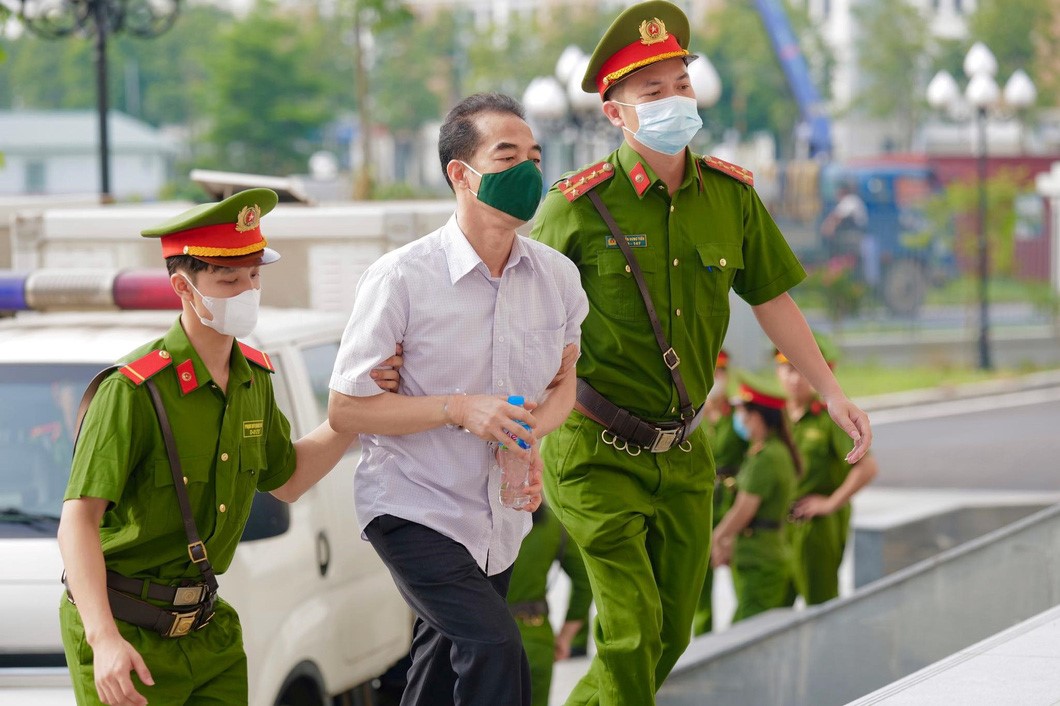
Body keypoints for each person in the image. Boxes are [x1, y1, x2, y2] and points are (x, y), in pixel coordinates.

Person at [528, 2, 872, 703]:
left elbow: (773, 298)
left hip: (684, 453)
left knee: (670, 635)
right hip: (593, 449)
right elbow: (514, 316)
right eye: (651, 92)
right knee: (629, 631)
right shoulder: (574, 209)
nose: (673, 100)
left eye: (681, 84)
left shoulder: (731, 197)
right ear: (614, 112)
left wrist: (831, 392)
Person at [58, 188, 402, 706]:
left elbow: (288, 479)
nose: (246, 290)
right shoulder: (133, 391)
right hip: (128, 630)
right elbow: (78, 521)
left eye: (254, 275)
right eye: (228, 278)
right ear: (183, 286)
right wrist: (103, 639)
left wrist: (359, 407)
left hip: (208, 628)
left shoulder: (252, 378)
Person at [326, 92, 589, 706]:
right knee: (497, 647)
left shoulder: (557, 279)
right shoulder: (400, 278)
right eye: (507, 156)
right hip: (412, 507)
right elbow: (347, 409)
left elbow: (563, 387)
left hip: (499, 518)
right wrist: (460, 408)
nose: (528, 170)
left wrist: (529, 441)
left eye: (535, 155)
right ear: (459, 174)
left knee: (439, 667)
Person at [777, 335, 879, 605]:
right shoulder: (776, 417)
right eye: (787, 369)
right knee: (774, 609)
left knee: (820, 605)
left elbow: (867, 467)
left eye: (801, 371)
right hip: (778, 524)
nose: (794, 379)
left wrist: (831, 503)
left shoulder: (829, 417)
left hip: (816, 524)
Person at [710, 376, 800, 623]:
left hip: (760, 558)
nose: (742, 421)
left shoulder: (767, 457)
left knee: (746, 629)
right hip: (759, 552)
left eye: (745, 415)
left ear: (759, 417)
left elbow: (744, 509)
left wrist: (718, 537)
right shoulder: (769, 450)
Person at [507, 502, 593, 706]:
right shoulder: (552, 524)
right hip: (535, 639)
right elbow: (585, 580)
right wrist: (566, 637)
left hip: (479, 640)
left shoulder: (472, 519)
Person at [693, 349, 748, 635]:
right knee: (700, 580)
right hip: (702, 501)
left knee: (741, 574)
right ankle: (703, 641)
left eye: (720, 373)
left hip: (734, 501)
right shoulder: (692, 415)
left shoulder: (740, 415)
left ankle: (739, 637)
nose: (716, 379)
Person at [821, 180, 878, 295]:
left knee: (856, 270)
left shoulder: (851, 200)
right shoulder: (850, 201)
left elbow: (837, 217)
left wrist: (827, 228)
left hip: (855, 241)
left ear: (842, 191)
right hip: (853, 241)